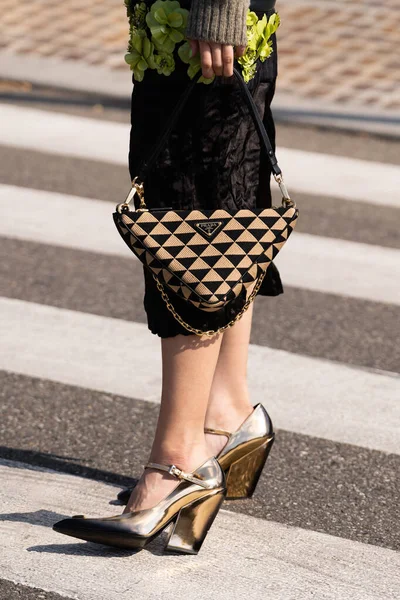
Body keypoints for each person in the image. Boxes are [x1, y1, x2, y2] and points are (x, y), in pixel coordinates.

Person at [53, 0, 279, 554]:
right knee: (224, 206)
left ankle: (178, 459)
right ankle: (224, 411)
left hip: (195, 13)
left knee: (184, 214)